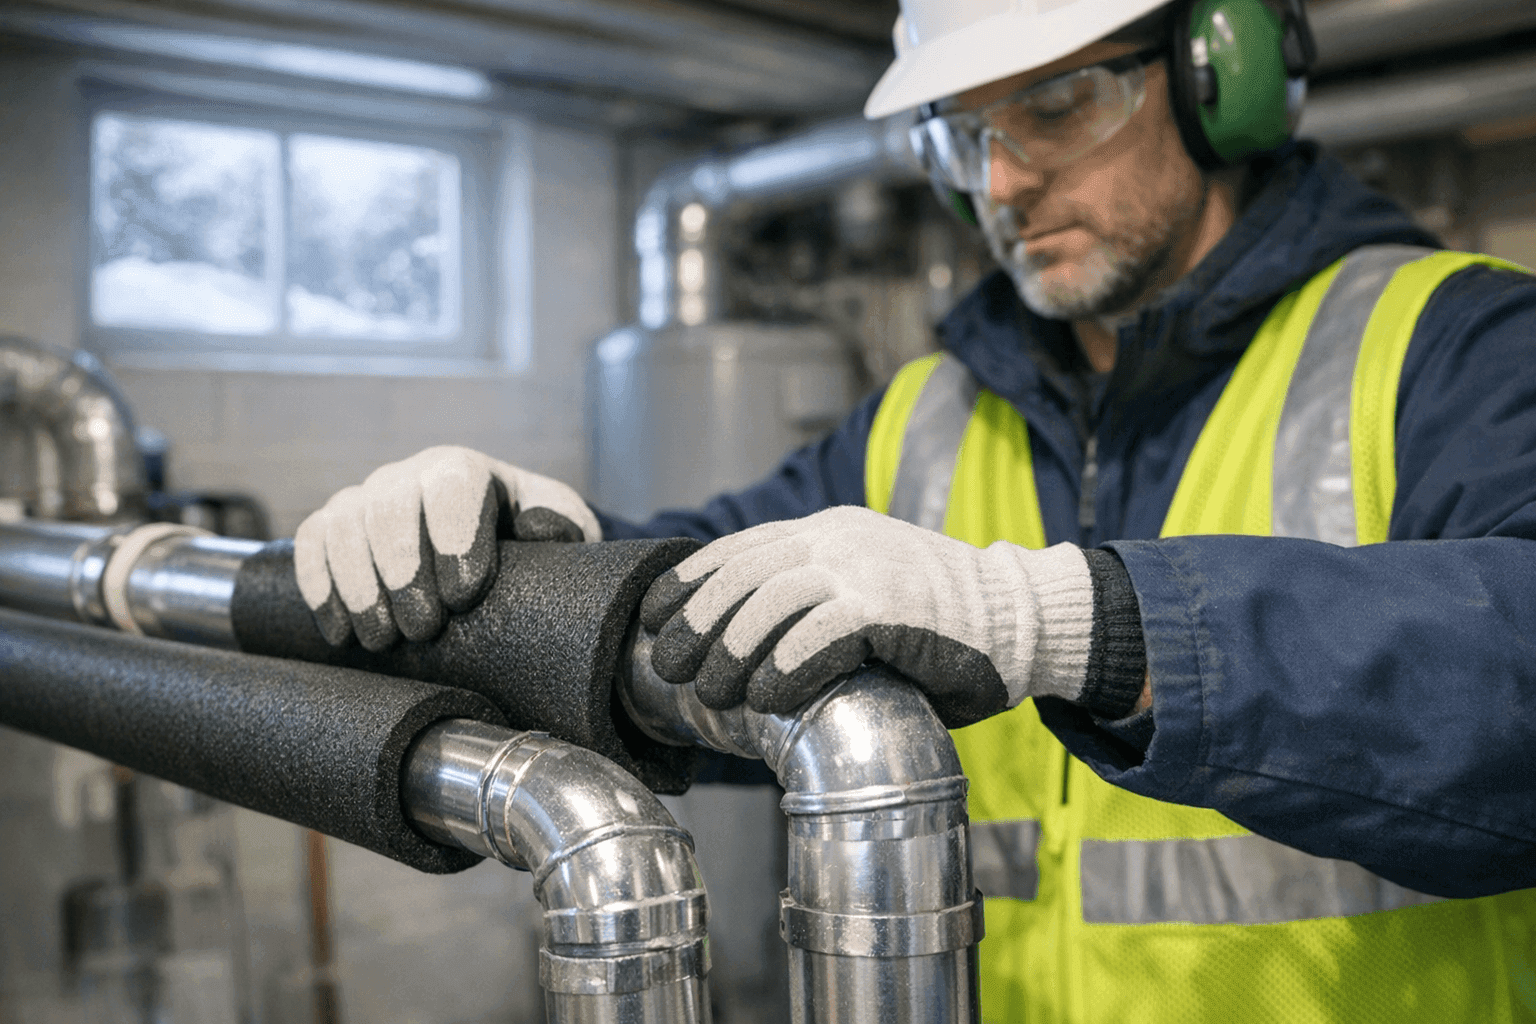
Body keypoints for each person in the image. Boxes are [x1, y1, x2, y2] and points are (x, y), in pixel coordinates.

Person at [294, 0, 1536, 1018]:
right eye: (962, 134)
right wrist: (534, 548)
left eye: (1056, 106)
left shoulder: (1456, 342)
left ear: (1222, 72)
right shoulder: (924, 413)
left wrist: (1066, 619)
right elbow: (697, 599)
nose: (1001, 180)